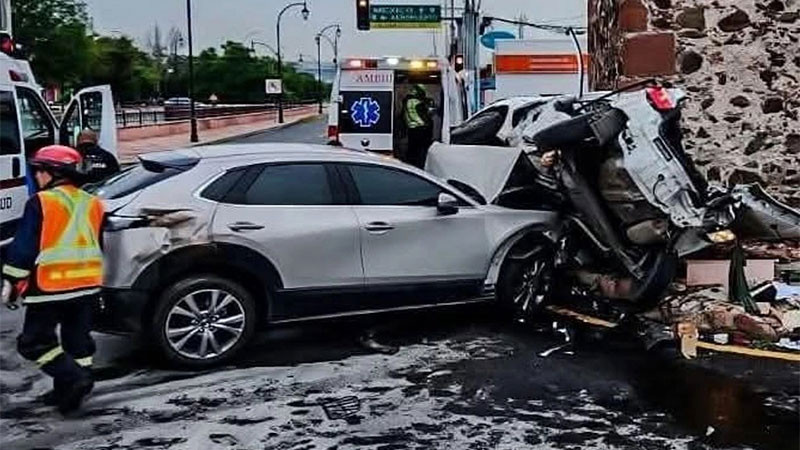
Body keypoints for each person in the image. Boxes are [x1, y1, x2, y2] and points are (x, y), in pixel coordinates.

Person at [1, 145, 105, 414]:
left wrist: (12, 281)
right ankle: (68, 392)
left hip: (51, 285)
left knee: (33, 343)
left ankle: (74, 379)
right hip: (87, 284)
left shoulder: (42, 202)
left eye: (39, 171)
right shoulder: (93, 202)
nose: (36, 177)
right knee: (78, 343)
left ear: (53, 173)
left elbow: (24, 247)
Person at [402, 84, 434, 169]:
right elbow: (424, 116)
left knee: (412, 151)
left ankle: (411, 167)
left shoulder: (408, 101)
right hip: (420, 130)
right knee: (420, 153)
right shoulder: (417, 103)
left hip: (412, 129)